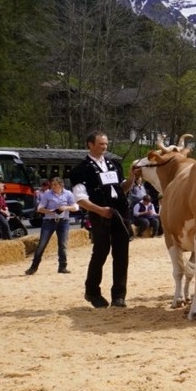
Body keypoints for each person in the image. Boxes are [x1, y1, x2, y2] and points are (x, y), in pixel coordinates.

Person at [69, 131, 131, 309]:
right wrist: (99, 210)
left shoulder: (114, 165)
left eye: (105, 144)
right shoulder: (80, 169)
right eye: (100, 144)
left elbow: (121, 188)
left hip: (120, 212)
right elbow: (80, 198)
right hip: (99, 213)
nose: (104, 147)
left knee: (121, 254)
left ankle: (119, 295)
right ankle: (92, 291)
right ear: (90, 144)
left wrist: (133, 179)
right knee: (101, 252)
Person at [26, 176, 77, 274]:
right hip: (49, 221)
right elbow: (40, 208)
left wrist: (65, 208)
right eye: (52, 185)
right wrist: (48, 211)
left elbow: (76, 207)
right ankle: (33, 267)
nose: (53, 187)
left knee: (63, 245)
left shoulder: (68, 194)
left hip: (63, 221)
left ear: (61, 185)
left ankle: (62, 267)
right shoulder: (47, 194)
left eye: (55, 185)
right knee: (42, 244)